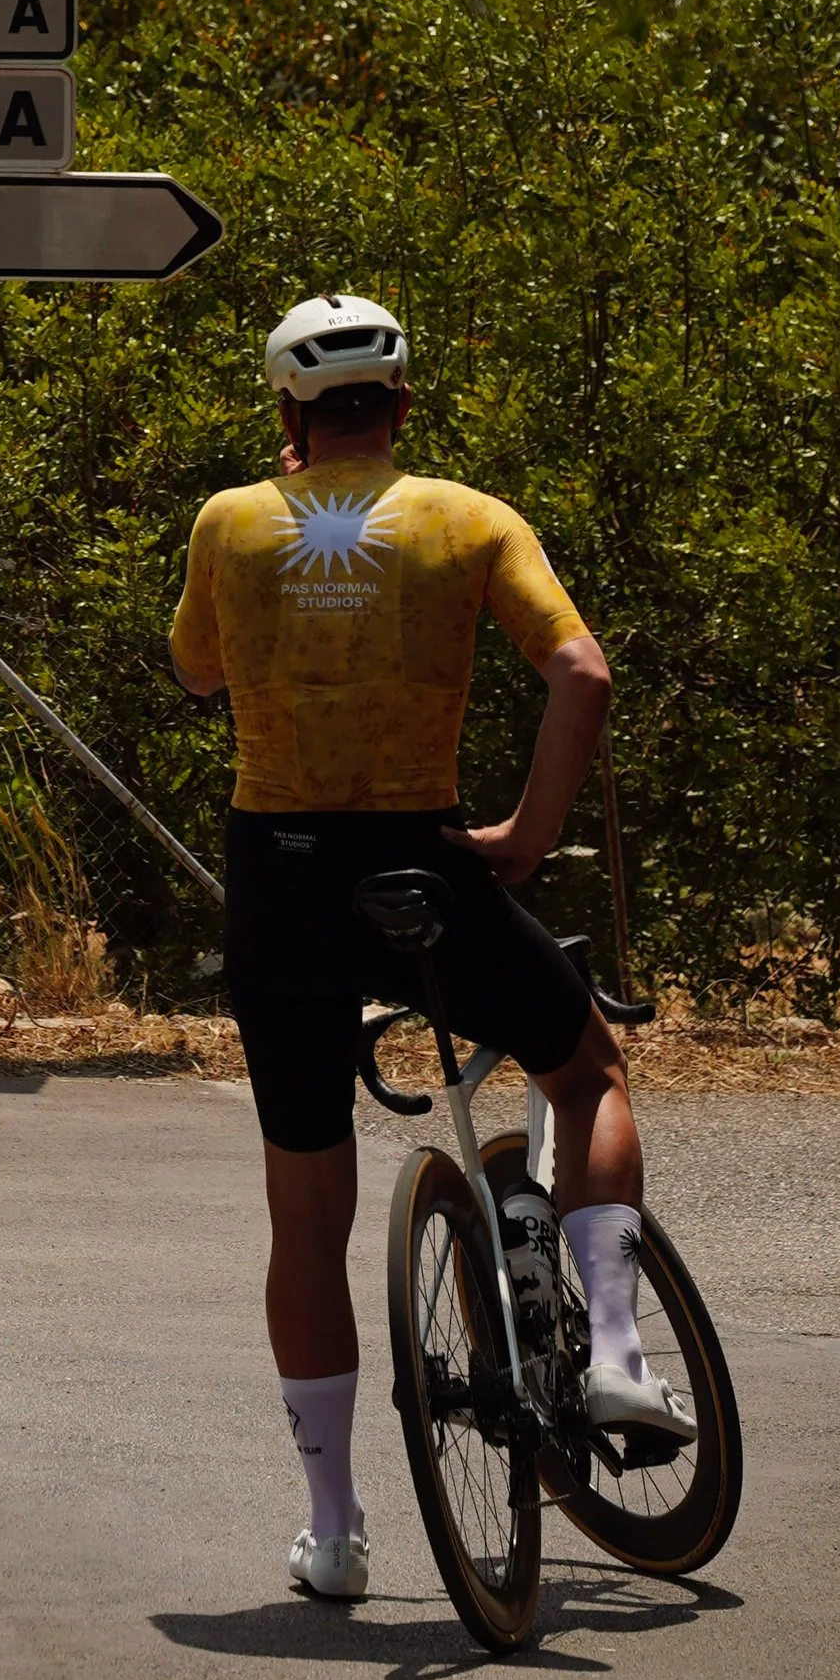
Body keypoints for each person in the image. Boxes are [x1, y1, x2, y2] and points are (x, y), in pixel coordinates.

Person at [169, 292, 688, 1612]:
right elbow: (583, 670)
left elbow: (194, 674)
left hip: (278, 882)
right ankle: (619, 1349)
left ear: (289, 415)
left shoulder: (230, 522)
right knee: (586, 1076)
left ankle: (336, 1529)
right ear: (403, 403)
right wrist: (526, 829)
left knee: (306, 1213)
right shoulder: (468, 517)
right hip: (426, 861)